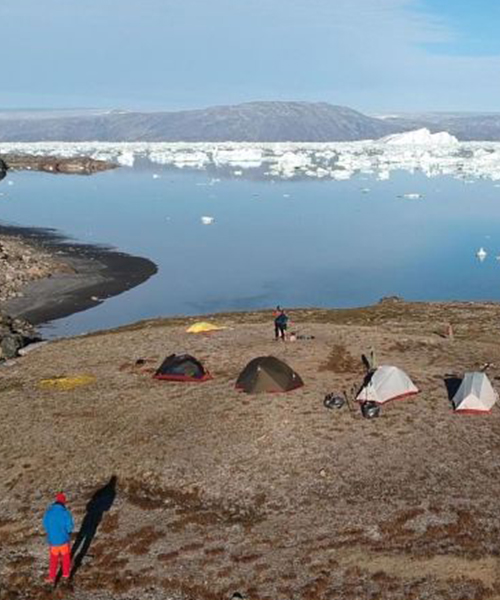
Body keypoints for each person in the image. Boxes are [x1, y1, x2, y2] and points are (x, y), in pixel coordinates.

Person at [42, 492, 74, 584]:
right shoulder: (65, 512)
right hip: (64, 540)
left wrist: (51, 533)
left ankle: (52, 577)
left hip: (53, 541)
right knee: (66, 558)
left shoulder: (48, 512)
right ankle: (66, 575)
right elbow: (70, 527)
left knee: (53, 559)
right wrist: (67, 532)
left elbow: (45, 525)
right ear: (63, 502)